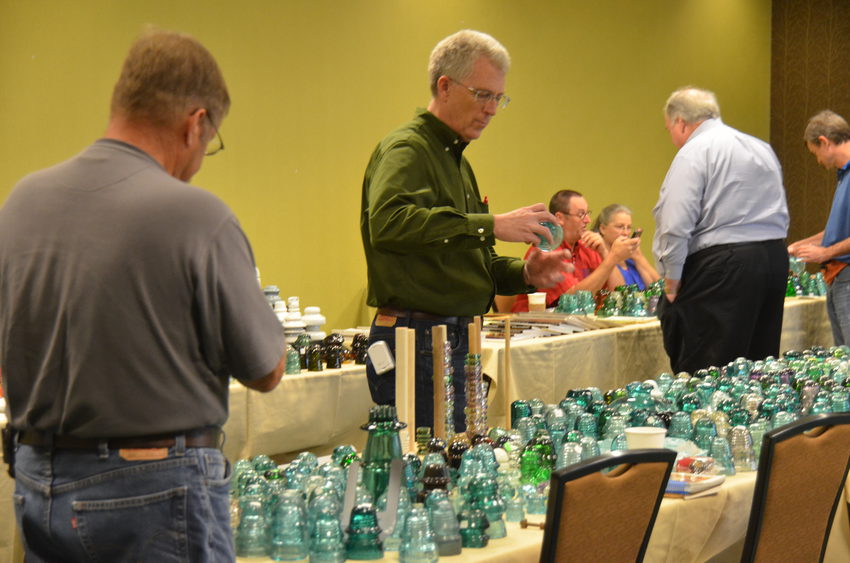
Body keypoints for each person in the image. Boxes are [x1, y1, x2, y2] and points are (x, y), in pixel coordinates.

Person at [0, 30, 286, 561]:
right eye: (208, 142)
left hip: (38, 483)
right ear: (195, 123)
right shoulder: (199, 216)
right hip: (154, 490)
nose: (199, 161)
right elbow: (266, 370)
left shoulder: (21, 203)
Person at [360, 29, 569, 432]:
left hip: (453, 336)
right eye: (483, 94)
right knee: (431, 461)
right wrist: (494, 224)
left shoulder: (457, 161)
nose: (492, 109)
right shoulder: (407, 150)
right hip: (418, 338)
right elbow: (388, 223)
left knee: (460, 454)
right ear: (445, 86)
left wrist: (526, 274)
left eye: (499, 98)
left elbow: (473, 261)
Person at [653, 87, 789, 374]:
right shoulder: (760, 148)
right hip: (773, 258)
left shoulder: (695, 152)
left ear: (681, 122)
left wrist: (671, 279)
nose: (672, 137)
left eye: (669, 130)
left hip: (724, 265)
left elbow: (675, 222)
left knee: (710, 369)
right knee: (758, 365)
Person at [511, 190, 638, 312]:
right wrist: (612, 258)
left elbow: (618, 293)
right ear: (560, 218)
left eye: (587, 213)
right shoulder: (546, 251)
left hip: (580, 321)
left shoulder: (588, 246)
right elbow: (572, 301)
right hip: (538, 323)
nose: (588, 220)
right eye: (581, 214)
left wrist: (605, 253)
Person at [788, 110, 850, 345]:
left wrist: (825, 253)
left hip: (847, 275)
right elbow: (837, 231)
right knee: (842, 356)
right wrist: (802, 245)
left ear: (824, 142)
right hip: (838, 278)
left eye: (816, 153)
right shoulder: (844, 176)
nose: (818, 161)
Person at [591, 203, 660, 290]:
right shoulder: (596, 257)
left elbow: (659, 289)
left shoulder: (630, 258)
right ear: (603, 229)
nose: (625, 233)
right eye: (620, 227)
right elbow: (618, 292)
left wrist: (639, 257)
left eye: (629, 227)